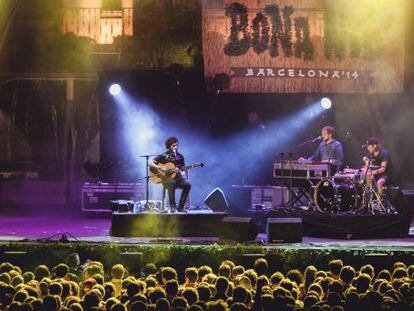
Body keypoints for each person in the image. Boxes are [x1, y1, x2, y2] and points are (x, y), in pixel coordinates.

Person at [149, 137, 191, 212]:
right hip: (166, 179)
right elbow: (149, 163)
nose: (175, 147)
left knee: (187, 185)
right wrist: (159, 167)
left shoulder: (180, 156)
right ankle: (173, 206)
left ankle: (180, 207)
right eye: (173, 145)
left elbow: (183, 169)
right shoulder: (164, 155)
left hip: (178, 178)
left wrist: (180, 171)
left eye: (177, 145)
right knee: (171, 182)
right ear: (169, 146)